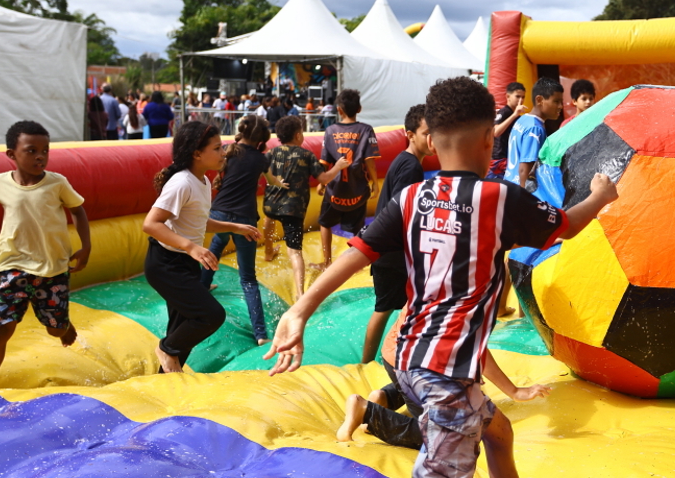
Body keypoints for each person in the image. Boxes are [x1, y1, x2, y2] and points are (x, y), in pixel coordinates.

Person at [264, 76, 619, 478]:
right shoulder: (499, 198)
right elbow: (567, 226)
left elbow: (357, 254)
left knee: (498, 432)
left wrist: (300, 309)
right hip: (446, 374)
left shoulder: (412, 197)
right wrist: (600, 196)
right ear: (490, 138)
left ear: (430, 141)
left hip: (406, 361)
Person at [142, 122, 262, 373]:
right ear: (197, 153)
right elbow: (151, 224)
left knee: (181, 329)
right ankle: (164, 348)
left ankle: (164, 381)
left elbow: (198, 221)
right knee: (210, 315)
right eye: (217, 148)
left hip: (184, 263)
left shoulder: (203, 182)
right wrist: (191, 247)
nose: (223, 153)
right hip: (165, 264)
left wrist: (234, 227)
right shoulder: (182, 183)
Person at [338, 308, 550, 448]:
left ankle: (388, 396)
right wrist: (514, 391)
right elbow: (474, 348)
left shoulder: (438, 269)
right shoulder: (461, 293)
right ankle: (367, 412)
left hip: (397, 353)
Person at [0, 121, 91, 388]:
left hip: (52, 268)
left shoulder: (57, 183)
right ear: (12, 154)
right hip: (13, 265)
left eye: (45, 150)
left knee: (54, 329)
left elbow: (77, 210)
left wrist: (86, 245)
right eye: (31, 150)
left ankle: (63, 326)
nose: (40, 156)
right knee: (1, 329)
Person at [199, 116, 287, 345]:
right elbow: (271, 181)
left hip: (219, 212)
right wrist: (283, 184)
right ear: (261, 138)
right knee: (248, 278)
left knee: (217, 244)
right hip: (244, 219)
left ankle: (201, 289)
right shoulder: (260, 158)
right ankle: (260, 334)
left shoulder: (229, 150)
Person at [360, 104, 432, 365]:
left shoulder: (405, 161)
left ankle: (393, 356)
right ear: (410, 134)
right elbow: (402, 211)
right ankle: (367, 362)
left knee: (400, 307)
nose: (431, 138)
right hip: (393, 255)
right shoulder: (411, 167)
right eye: (426, 133)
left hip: (390, 252)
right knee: (384, 309)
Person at [262, 115, 349, 301]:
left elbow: (264, 173)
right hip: (293, 209)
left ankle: (268, 251)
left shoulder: (271, 153)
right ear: (298, 135)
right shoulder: (306, 155)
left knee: (269, 219)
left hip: (271, 204)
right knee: (294, 252)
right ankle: (300, 293)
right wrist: (339, 166)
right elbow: (324, 179)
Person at [316, 89, 380, 269]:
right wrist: (375, 183)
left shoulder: (330, 131)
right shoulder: (366, 130)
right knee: (358, 229)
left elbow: (325, 163)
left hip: (335, 191)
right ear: (359, 108)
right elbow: (370, 162)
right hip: (357, 190)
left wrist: (322, 183)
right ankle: (356, 264)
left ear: (339, 110)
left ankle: (327, 262)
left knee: (324, 223)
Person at [505, 77, 564, 189]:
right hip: (519, 190)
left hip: (509, 183)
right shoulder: (535, 129)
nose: (560, 106)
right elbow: (524, 170)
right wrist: (523, 199)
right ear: (539, 100)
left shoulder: (523, 119)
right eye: (556, 101)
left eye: (561, 102)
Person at [489, 82, 526, 179]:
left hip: (509, 159)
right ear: (508, 96)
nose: (520, 100)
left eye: (523, 97)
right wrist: (514, 115)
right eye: (517, 96)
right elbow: (496, 132)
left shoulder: (516, 115)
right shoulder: (504, 112)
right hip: (499, 161)